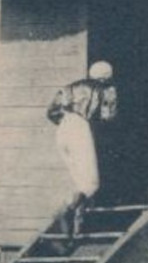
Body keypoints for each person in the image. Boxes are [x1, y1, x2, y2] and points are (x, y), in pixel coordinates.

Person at [46, 59, 118, 239]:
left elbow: (51, 112)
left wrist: (67, 120)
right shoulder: (106, 90)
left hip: (64, 127)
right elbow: (107, 117)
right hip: (81, 128)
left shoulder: (69, 88)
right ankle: (68, 211)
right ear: (106, 78)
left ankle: (74, 225)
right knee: (91, 184)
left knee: (77, 179)